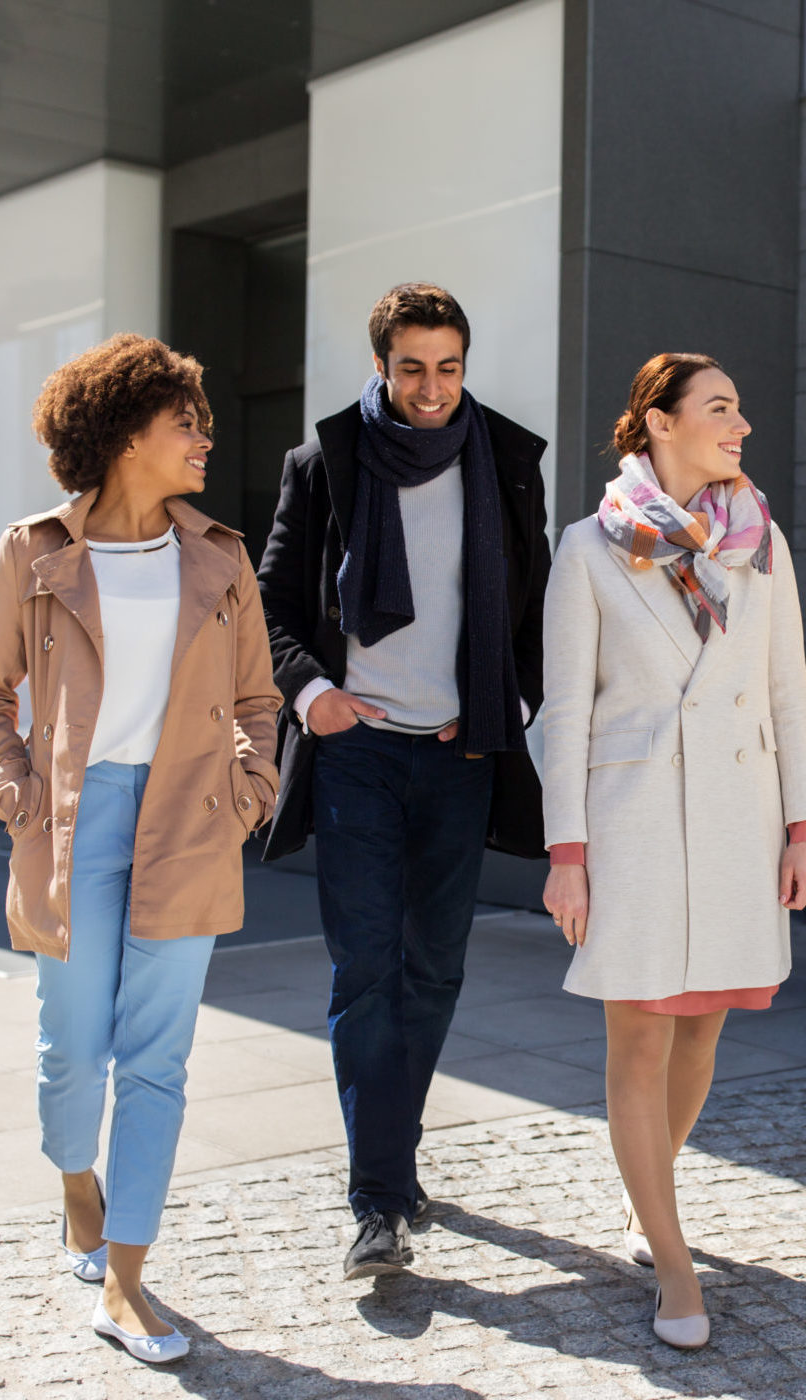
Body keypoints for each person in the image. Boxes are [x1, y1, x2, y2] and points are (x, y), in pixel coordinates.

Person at [0, 334, 282, 1364]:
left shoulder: (221, 558)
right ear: (125, 434)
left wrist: (247, 791)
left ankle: (130, 1281)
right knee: (71, 1051)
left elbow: (256, 699)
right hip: (70, 821)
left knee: (158, 1062)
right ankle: (73, 1182)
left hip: (189, 818)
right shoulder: (35, 552)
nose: (203, 437)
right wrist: (12, 787)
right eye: (184, 420)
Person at [256, 282, 551, 1281]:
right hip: (359, 754)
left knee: (435, 969)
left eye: (450, 366)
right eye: (413, 367)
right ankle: (378, 1197)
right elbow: (271, 606)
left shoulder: (505, 461)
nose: (433, 388)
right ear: (381, 364)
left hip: (460, 750)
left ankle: (391, 1149)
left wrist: (505, 699)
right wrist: (314, 694)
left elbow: (532, 613)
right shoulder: (325, 463)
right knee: (366, 969)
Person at [540, 353, 806, 1349]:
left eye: (740, 406)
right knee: (640, 1035)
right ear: (657, 424)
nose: (740, 423)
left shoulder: (759, 540)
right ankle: (671, 1257)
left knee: (703, 1029)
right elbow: (566, 709)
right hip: (633, 826)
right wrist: (564, 852)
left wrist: (805, 826)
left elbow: (788, 689)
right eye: (719, 407)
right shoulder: (587, 550)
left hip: (740, 819)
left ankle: (642, 1190)